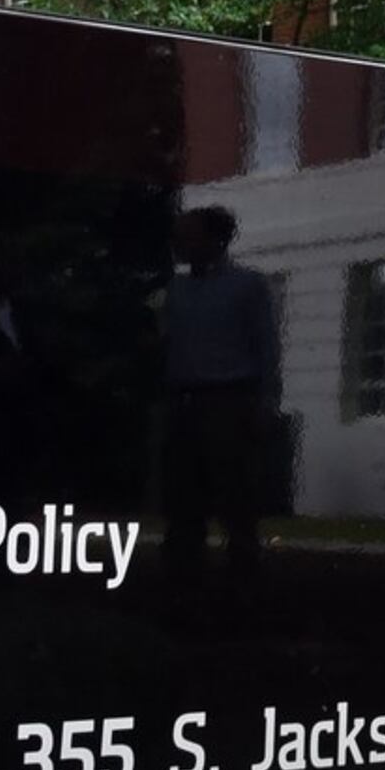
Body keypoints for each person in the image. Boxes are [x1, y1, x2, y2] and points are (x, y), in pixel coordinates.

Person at [161, 204, 280, 579]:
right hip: (184, 397)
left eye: (189, 236)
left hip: (228, 397)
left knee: (233, 487)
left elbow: (265, 346)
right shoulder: (176, 290)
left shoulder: (246, 286)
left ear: (216, 240)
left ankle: (244, 562)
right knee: (183, 486)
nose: (180, 244)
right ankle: (184, 561)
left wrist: (263, 402)